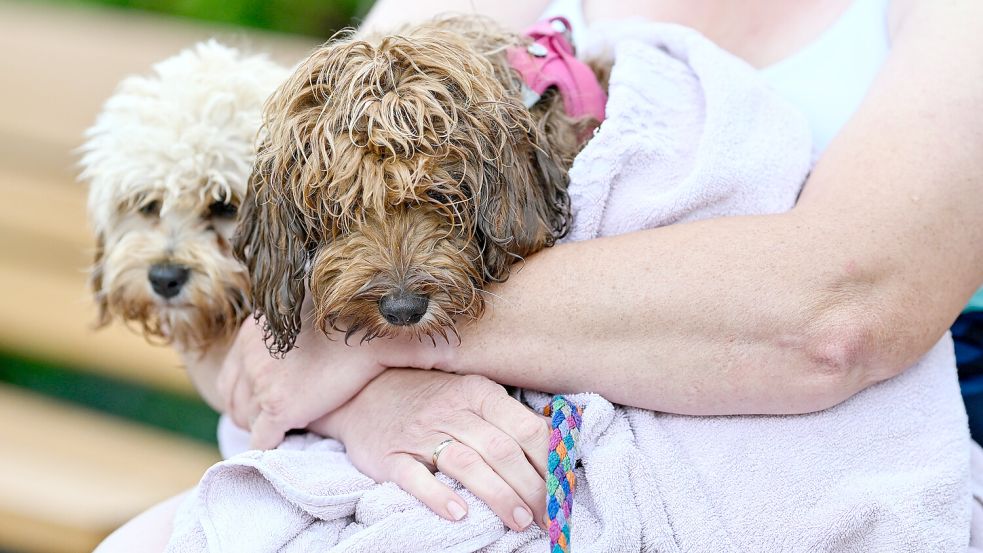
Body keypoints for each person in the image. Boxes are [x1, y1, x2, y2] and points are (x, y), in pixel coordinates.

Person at [95, 0, 983, 550]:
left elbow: (838, 313)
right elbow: (244, 311)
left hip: (815, 447)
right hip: (511, 458)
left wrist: (384, 343)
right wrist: (368, 400)